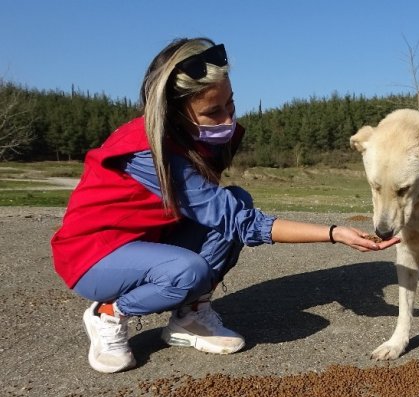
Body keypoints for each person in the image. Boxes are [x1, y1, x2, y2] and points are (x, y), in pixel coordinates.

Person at [50, 37, 399, 374]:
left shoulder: (193, 138)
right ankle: (109, 313)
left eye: (230, 103)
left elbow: (227, 211)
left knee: (237, 198)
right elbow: (241, 224)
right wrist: (335, 234)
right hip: (94, 254)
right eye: (212, 111)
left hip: (150, 240)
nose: (227, 119)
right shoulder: (146, 150)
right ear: (172, 112)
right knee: (188, 270)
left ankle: (189, 317)